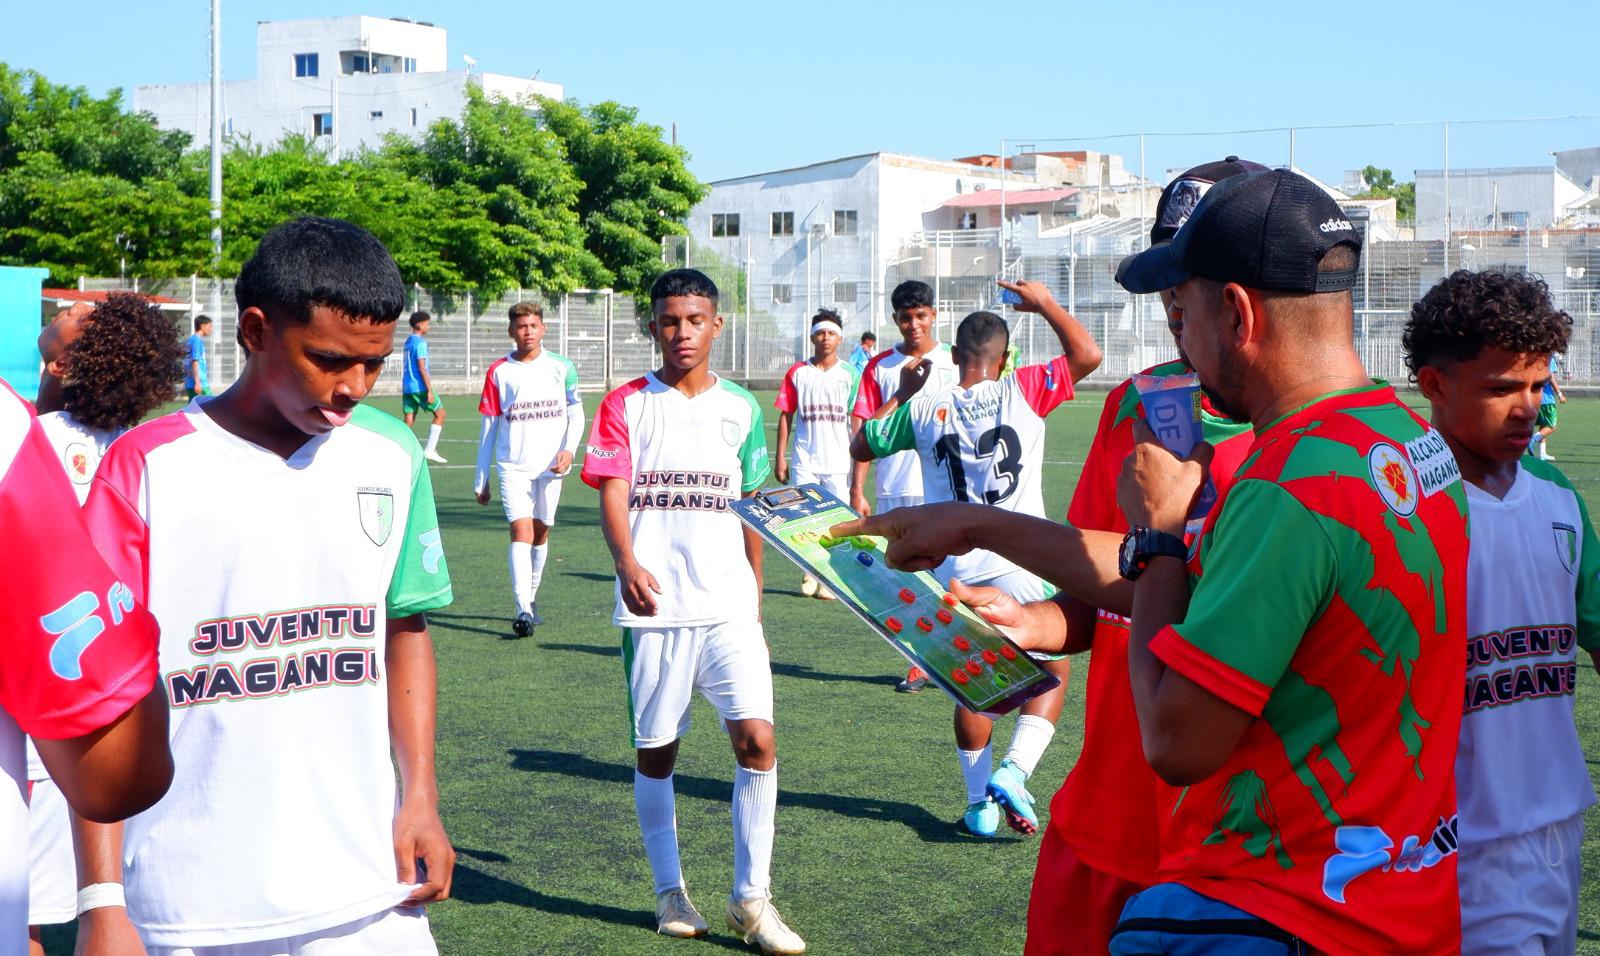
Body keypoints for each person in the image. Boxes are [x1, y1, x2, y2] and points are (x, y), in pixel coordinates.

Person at [840, 170, 1470, 954]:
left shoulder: (1291, 484)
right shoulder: (1412, 443)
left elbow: (1175, 743)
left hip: (1280, 907)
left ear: (1236, 311)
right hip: (1401, 892)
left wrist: (1163, 536)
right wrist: (980, 529)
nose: (1176, 330)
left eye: (1183, 305)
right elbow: (1229, 590)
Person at [75, 216, 457, 955]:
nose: (353, 389)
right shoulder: (146, 466)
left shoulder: (390, 452)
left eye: (373, 365)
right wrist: (101, 899)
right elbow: (97, 691)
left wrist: (420, 799)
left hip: (367, 883)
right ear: (254, 331)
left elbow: (404, 629)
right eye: (329, 360)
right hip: (188, 896)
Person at [1027, 157, 1263, 956]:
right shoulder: (1138, 402)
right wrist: (1022, 621)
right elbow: (1098, 592)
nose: (1170, 307)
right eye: (1165, 282)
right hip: (1105, 827)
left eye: (1186, 281)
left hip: (1241, 853)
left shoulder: (1321, 445)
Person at [582, 268, 804, 955]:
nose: (683, 332)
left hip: (729, 606)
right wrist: (626, 561)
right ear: (654, 326)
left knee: (757, 742)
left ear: (716, 326)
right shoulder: (625, 403)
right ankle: (669, 890)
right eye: (670, 320)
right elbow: (612, 489)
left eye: (696, 319)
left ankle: (752, 900)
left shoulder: (741, 408)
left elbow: (752, 507)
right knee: (657, 752)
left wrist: (756, 597)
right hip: (656, 608)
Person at [851, 280, 1100, 839]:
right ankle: (1015, 770)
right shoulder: (1023, 388)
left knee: (977, 683)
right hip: (1023, 562)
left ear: (955, 356)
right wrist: (1045, 303)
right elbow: (1088, 355)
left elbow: (861, 445)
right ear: (1004, 359)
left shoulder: (924, 408)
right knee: (1054, 667)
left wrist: (903, 393)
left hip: (955, 569)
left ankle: (976, 806)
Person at [1404, 270, 1594, 954]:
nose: (1528, 409)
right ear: (1434, 384)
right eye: (1501, 389)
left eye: (1539, 386)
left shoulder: (1558, 495)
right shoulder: (1405, 507)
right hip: (1458, 845)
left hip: (1560, 827)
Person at [26, 292, 183, 953]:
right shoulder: (138, 451)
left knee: (18, 919)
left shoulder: (28, 445)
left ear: (66, 364)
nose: (72, 307)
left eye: (80, 320)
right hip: (108, 695)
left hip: (33, 698)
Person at [852, 280, 957, 692]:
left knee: (950, 576)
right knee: (907, 581)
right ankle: (919, 660)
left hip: (944, 487)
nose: (914, 324)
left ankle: (956, 655)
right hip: (895, 487)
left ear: (934, 315)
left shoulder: (954, 360)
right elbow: (865, 431)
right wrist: (857, 489)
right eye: (905, 318)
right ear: (895, 319)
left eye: (921, 316)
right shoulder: (880, 366)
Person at [475, 301, 583, 636]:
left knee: (541, 531)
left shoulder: (561, 367)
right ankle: (522, 608)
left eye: (534, 326)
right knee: (520, 531)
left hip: (551, 467)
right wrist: (481, 476)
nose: (528, 332)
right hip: (513, 467)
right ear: (511, 331)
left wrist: (569, 450)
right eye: (522, 327)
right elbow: (489, 426)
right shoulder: (499, 371)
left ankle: (532, 598)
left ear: (543, 329)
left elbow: (576, 412)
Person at [774, 308, 860, 599]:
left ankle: (831, 577)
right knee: (803, 517)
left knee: (836, 520)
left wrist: (858, 457)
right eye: (820, 333)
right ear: (812, 337)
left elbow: (856, 419)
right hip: (805, 459)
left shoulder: (849, 374)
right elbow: (786, 414)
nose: (826, 338)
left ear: (840, 339)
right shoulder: (798, 373)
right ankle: (810, 570)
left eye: (831, 333)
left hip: (839, 461)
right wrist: (781, 457)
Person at [403, 310, 448, 464]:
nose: (428, 327)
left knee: (409, 420)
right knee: (440, 414)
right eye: (427, 324)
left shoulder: (408, 342)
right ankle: (430, 450)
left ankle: (398, 447)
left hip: (407, 387)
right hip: (420, 387)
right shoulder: (420, 343)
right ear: (420, 325)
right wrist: (429, 390)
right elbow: (422, 367)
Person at [1530, 350, 1566, 460]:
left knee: (1543, 425)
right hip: (1547, 399)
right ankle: (1532, 439)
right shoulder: (1549, 358)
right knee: (1552, 426)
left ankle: (1542, 453)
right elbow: (1551, 377)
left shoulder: (1536, 357)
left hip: (1536, 397)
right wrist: (1560, 394)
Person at [185, 314, 212, 398]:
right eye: (210, 326)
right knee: (210, 403)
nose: (211, 329)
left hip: (190, 382)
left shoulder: (191, 339)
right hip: (199, 383)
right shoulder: (197, 341)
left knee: (194, 405)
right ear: (202, 326)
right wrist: (197, 383)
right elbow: (195, 361)